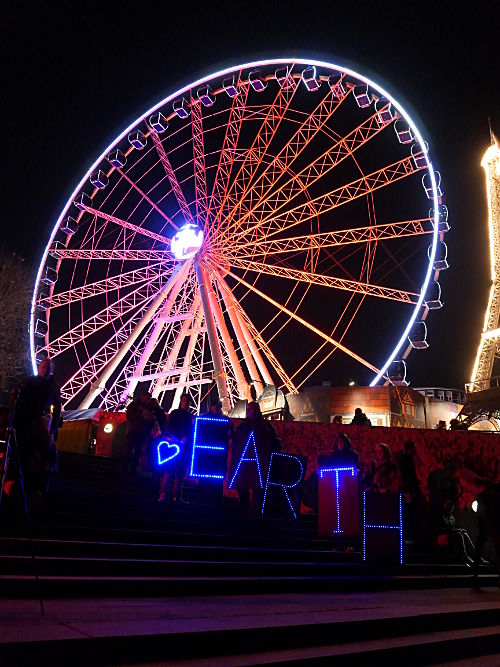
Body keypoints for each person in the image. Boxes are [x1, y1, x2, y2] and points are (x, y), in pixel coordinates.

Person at [11, 358, 61, 504]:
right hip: (27, 422)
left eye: (48, 367)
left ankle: (36, 489)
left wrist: (52, 429)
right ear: (40, 367)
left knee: (40, 456)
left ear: (51, 371)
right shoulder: (30, 382)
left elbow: (57, 409)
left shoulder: (53, 387)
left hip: (41, 424)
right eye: (43, 366)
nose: (45, 369)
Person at [229, 401, 283, 512]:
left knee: (257, 489)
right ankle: (247, 508)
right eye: (248, 409)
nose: (248, 412)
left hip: (258, 462)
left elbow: (275, 442)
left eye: (251, 409)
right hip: (249, 462)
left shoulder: (264, 426)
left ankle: (253, 511)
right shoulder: (247, 426)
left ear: (257, 411)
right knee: (245, 487)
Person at [158, 394, 194, 502]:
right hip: (175, 445)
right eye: (184, 400)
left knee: (180, 473)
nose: (185, 402)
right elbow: (168, 428)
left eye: (187, 401)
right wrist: (177, 439)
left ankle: (176, 496)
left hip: (183, 447)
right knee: (169, 471)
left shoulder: (190, 417)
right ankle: (163, 495)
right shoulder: (175, 413)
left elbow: (191, 432)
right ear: (181, 401)